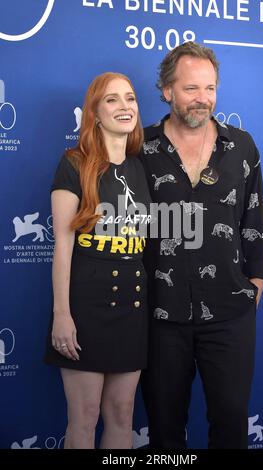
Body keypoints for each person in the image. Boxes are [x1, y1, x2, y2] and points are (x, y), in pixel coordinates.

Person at [139, 42, 263, 449]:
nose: (203, 99)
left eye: (210, 88)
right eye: (190, 89)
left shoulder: (242, 147)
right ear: (166, 91)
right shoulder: (140, 150)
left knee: (232, 422)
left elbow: (255, 223)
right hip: (161, 315)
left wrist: (254, 287)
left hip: (230, 313)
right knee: (165, 428)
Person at [44, 72, 151, 449]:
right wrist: (62, 314)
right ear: (95, 111)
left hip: (132, 310)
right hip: (85, 308)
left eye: (131, 98)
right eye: (112, 100)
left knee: (122, 416)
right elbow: (62, 244)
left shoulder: (142, 168)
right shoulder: (74, 164)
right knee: (84, 419)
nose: (125, 107)